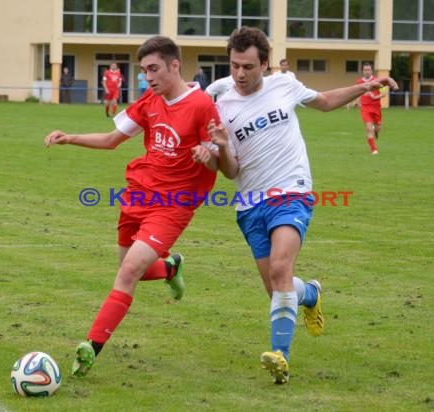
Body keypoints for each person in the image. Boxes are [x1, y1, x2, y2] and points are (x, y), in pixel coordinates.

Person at [202, 27, 398, 384]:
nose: (240, 74)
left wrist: (365, 87)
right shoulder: (219, 101)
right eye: (234, 66)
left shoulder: (284, 85)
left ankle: (281, 358)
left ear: (265, 64)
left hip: (292, 191)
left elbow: (322, 101)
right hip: (249, 204)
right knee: (279, 288)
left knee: (280, 269)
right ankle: (310, 293)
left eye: (248, 66)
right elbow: (230, 172)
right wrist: (218, 149)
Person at [44, 36, 220, 378]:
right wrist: (71, 138)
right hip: (139, 195)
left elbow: (219, 162)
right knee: (129, 267)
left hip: (174, 204)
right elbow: (112, 141)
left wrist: (208, 155)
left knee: (126, 274)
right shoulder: (150, 100)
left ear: (174, 65)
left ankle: (91, 347)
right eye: (144, 71)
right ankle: (170, 269)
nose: (148, 77)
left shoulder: (202, 105)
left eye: (153, 69)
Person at [355, 62, 388, 155]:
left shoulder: (377, 81)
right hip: (365, 109)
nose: (367, 72)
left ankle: (375, 129)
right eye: (365, 70)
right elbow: (357, 93)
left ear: (371, 71)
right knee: (369, 129)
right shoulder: (359, 82)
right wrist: (357, 101)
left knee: (378, 129)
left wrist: (374, 97)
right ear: (363, 71)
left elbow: (384, 93)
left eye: (369, 70)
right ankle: (374, 149)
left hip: (376, 109)